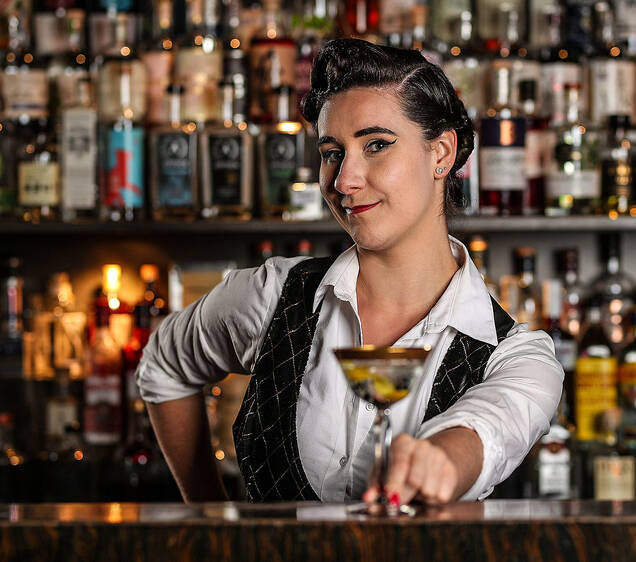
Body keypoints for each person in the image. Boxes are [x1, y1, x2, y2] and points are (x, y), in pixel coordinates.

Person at [136, 38, 563, 505]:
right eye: (331, 152)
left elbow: (491, 426)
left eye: (376, 145)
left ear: (441, 153)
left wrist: (444, 456)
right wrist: (211, 517)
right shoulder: (274, 295)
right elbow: (164, 364)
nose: (344, 181)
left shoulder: (520, 359)